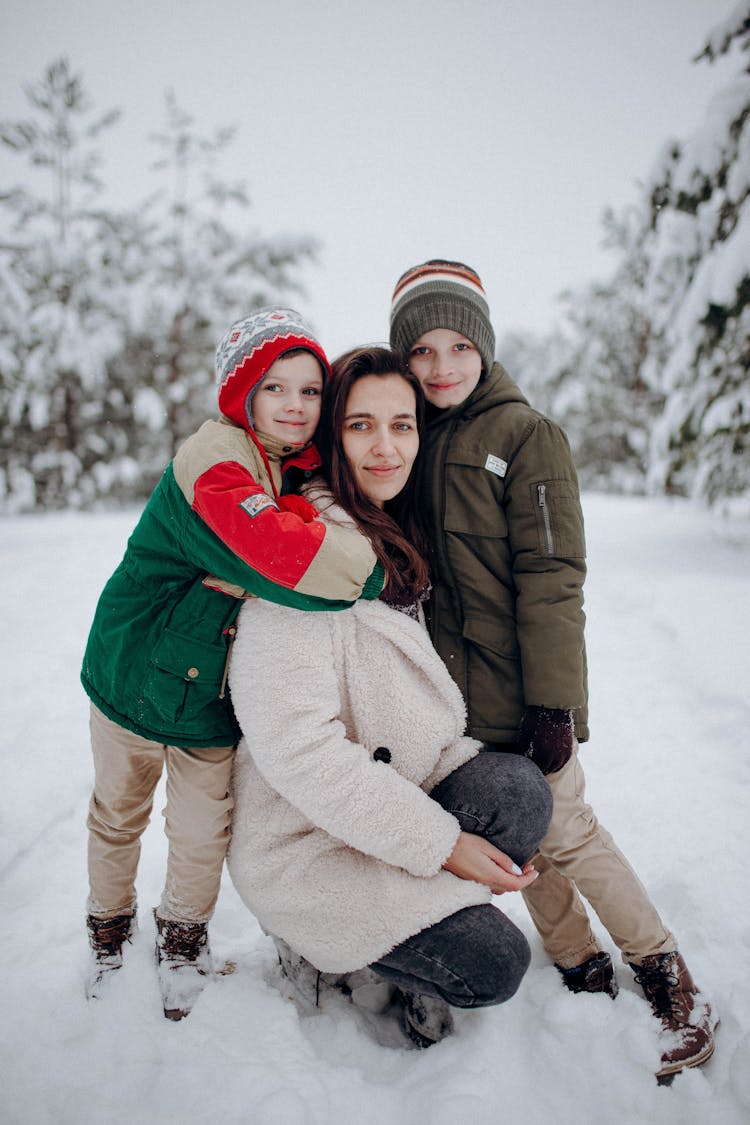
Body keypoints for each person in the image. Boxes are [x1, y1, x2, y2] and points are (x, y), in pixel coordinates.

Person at [389, 259, 716, 1080]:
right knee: (515, 847)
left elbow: (552, 578)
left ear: (485, 347)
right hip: (452, 704)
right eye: (422, 350)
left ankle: (665, 970)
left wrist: (555, 705)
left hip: (525, 695)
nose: (440, 367)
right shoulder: (416, 437)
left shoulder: (526, 436)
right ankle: (578, 962)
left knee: (570, 830)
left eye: (458, 345)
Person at [226, 346, 553, 1047]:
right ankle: (322, 946)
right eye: (360, 425)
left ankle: (410, 929)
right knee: (496, 964)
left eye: (403, 425)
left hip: (387, 793)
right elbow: (300, 752)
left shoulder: (393, 533)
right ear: (330, 437)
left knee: (520, 792)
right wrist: (443, 845)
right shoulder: (303, 553)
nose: (386, 447)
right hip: (307, 836)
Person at [81, 307, 385, 1019]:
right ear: (243, 393)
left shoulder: (292, 472)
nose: (295, 406)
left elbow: (288, 541)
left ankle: (182, 941)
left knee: (201, 828)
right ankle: (106, 931)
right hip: (130, 671)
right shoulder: (214, 459)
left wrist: (302, 522)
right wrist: (362, 568)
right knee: (119, 813)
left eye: (311, 392)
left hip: (209, 692)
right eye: (276, 387)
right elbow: (288, 558)